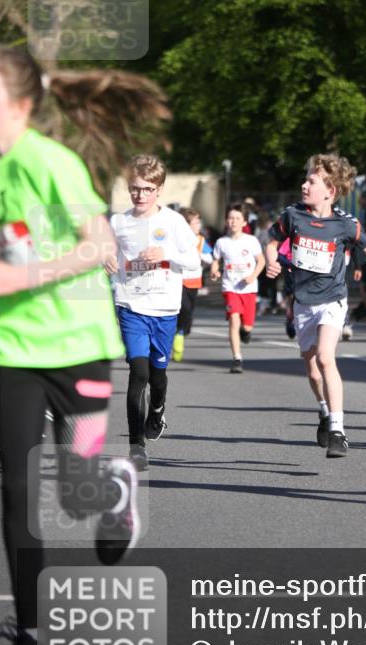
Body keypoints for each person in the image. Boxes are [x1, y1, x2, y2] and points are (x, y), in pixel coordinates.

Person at [0, 50, 139, 645]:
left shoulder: (50, 162)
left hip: (80, 346)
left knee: (76, 491)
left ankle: (115, 496)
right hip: (10, 351)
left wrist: (23, 276)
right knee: (18, 492)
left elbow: (100, 245)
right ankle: (28, 643)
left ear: (22, 107)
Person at [265, 154, 366, 458]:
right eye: (306, 177)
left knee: (326, 358)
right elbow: (272, 243)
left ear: (330, 191)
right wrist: (272, 261)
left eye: (311, 180)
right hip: (302, 303)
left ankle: (338, 430)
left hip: (332, 301)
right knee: (312, 372)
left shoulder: (345, 224)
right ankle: (324, 410)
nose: (304, 184)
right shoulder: (292, 216)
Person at [107, 155, 200, 471]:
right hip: (131, 305)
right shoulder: (118, 223)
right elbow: (106, 253)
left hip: (164, 309)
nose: (140, 195)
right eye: (134, 188)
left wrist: (166, 254)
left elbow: (193, 263)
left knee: (158, 376)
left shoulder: (173, 222)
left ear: (159, 189)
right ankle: (136, 446)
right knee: (139, 373)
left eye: (147, 189)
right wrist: (105, 259)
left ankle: (158, 409)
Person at [211, 204, 265, 373]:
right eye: (230, 218)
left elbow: (261, 261)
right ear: (227, 221)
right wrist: (214, 270)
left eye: (237, 218)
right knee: (234, 320)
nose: (233, 221)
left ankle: (246, 330)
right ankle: (237, 359)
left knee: (247, 327)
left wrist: (252, 276)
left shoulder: (251, 240)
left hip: (248, 288)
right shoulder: (222, 242)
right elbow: (215, 261)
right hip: (230, 287)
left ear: (244, 222)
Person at [172, 208, 214, 362]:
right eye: (195, 222)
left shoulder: (200, 240)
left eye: (199, 221)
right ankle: (177, 335)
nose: (199, 224)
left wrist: (200, 254)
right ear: (186, 225)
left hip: (195, 281)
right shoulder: (178, 240)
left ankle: (181, 332)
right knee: (183, 307)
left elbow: (210, 258)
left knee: (188, 313)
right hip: (179, 280)